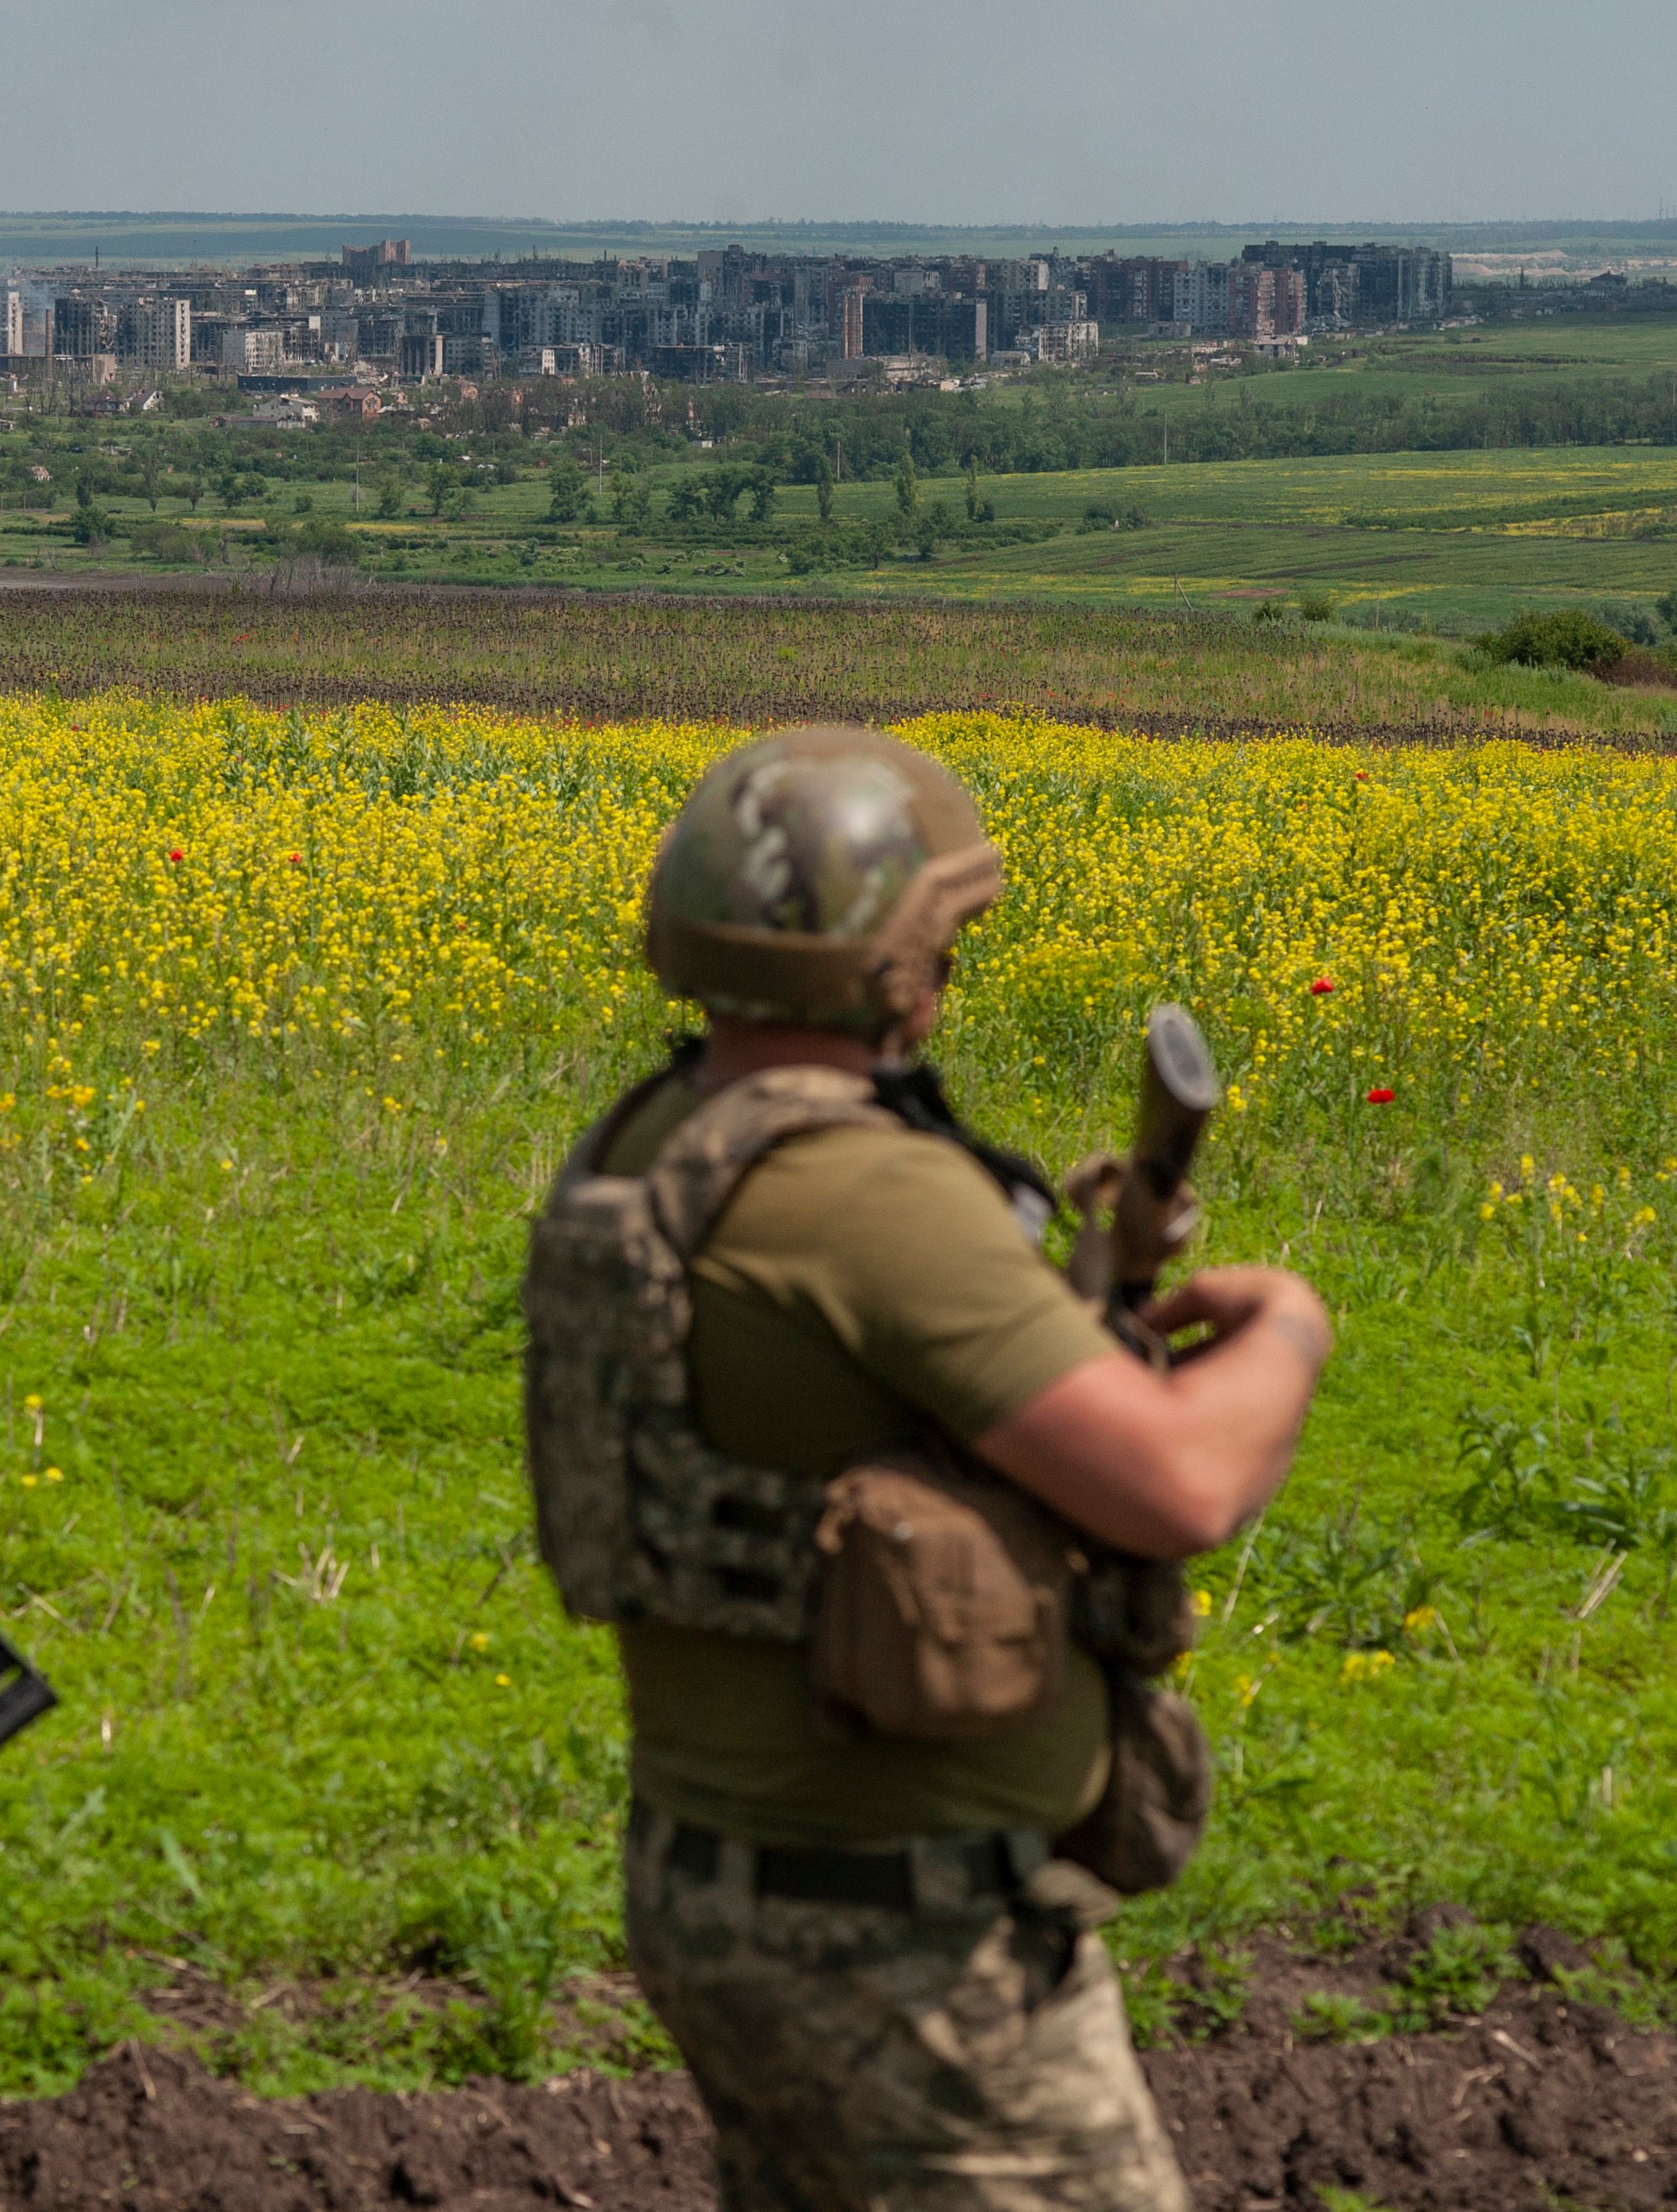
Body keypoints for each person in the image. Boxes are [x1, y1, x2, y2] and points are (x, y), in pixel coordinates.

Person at [522, 727, 1332, 2212]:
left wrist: (1076, 1298)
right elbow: (1177, 1487)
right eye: (945, 941)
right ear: (893, 964)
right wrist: (1285, 1331)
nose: (950, 972)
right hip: (906, 1945)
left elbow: (841, 1410)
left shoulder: (658, 1141)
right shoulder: (865, 1193)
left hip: (720, 1876)